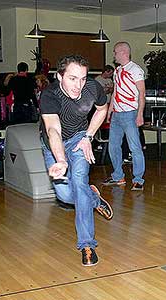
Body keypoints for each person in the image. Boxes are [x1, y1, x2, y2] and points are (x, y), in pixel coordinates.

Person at [39, 54, 113, 266]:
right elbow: (53, 129)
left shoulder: (92, 88)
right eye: (72, 78)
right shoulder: (50, 95)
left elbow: (102, 110)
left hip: (80, 138)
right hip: (54, 144)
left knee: (79, 183)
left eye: (82, 78)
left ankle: (87, 245)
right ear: (59, 76)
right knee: (64, 195)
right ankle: (95, 199)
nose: (79, 85)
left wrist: (88, 136)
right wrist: (61, 160)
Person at [103, 42, 146, 191]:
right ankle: (118, 176)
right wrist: (110, 110)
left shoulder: (135, 70)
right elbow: (116, 91)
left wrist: (140, 114)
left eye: (115, 52)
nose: (114, 55)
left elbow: (142, 93)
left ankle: (138, 179)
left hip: (130, 113)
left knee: (135, 147)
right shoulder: (117, 71)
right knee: (113, 146)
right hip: (117, 114)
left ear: (123, 52)